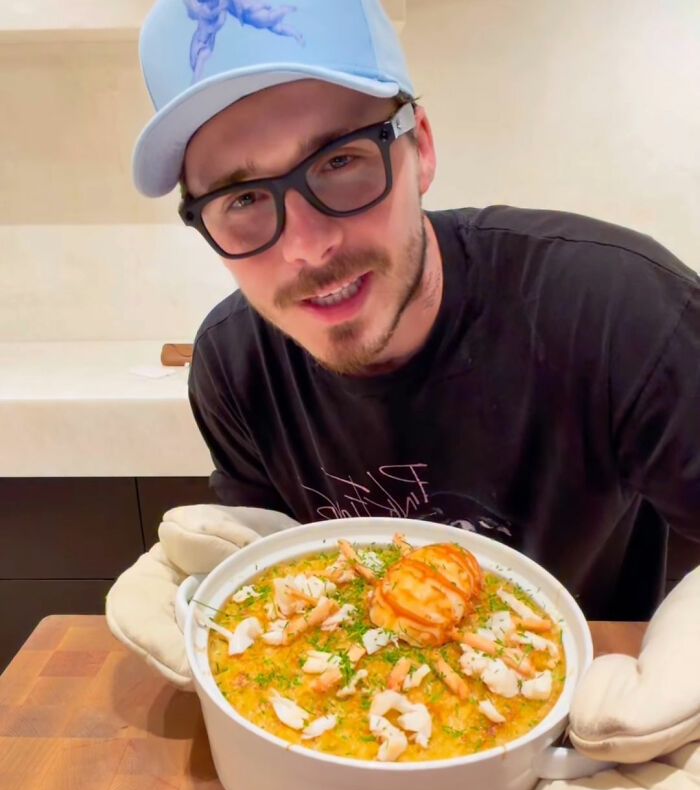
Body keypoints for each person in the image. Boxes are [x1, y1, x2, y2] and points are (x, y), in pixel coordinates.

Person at [132, 0, 699, 621]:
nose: (306, 247)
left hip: (595, 702)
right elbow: (281, 576)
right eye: (241, 198)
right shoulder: (235, 364)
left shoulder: (623, 311)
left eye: (340, 161)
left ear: (420, 148)